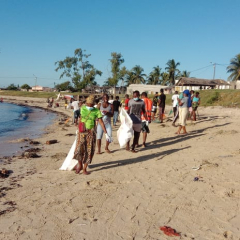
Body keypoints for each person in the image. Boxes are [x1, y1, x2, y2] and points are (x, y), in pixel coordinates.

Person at [73, 95, 110, 175]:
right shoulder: (82, 108)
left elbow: (101, 122)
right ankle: (79, 164)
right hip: (82, 132)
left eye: (90, 104)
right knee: (79, 149)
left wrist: (105, 132)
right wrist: (78, 129)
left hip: (91, 132)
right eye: (88, 103)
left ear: (93, 104)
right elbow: (80, 119)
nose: (89, 105)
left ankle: (84, 168)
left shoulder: (96, 111)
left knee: (89, 150)